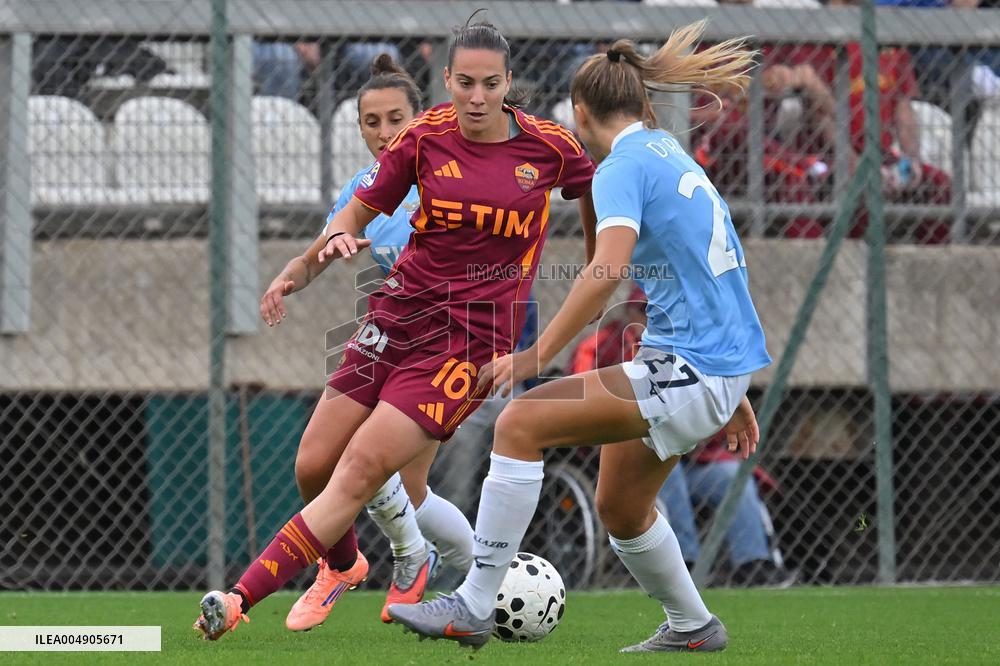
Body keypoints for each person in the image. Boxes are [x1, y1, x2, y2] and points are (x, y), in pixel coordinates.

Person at [193, 14, 597, 642]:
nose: (477, 97)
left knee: (361, 472)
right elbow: (355, 210)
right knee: (314, 464)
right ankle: (345, 564)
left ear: (509, 82)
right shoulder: (426, 135)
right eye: (465, 83)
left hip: (467, 342)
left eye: (490, 84)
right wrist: (300, 269)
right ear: (447, 80)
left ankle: (240, 597)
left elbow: (598, 217)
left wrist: (601, 276)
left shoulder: (551, 146)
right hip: (397, 315)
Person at [387, 20, 770, 653]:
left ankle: (474, 604)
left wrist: (537, 353)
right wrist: (731, 384)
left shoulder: (622, 164)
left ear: (581, 112)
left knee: (521, 422)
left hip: (694, 366)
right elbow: (709, 271)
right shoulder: (670, 152)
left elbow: (606, 270)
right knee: (620, 505)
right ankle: (693, 627)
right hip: (706, 363)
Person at [256, 53, 475, 633]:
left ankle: (480, 576)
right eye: (372, 122)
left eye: (395, 119)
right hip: (387, 330)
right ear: (358, 129)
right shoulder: (366, 189)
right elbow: (324, 246)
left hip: (448, 342)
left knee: (405, 485)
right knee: (312, 466)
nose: (384, 133)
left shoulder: (454, 176)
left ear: (422, 118)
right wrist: (290, 277)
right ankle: (344, 564)